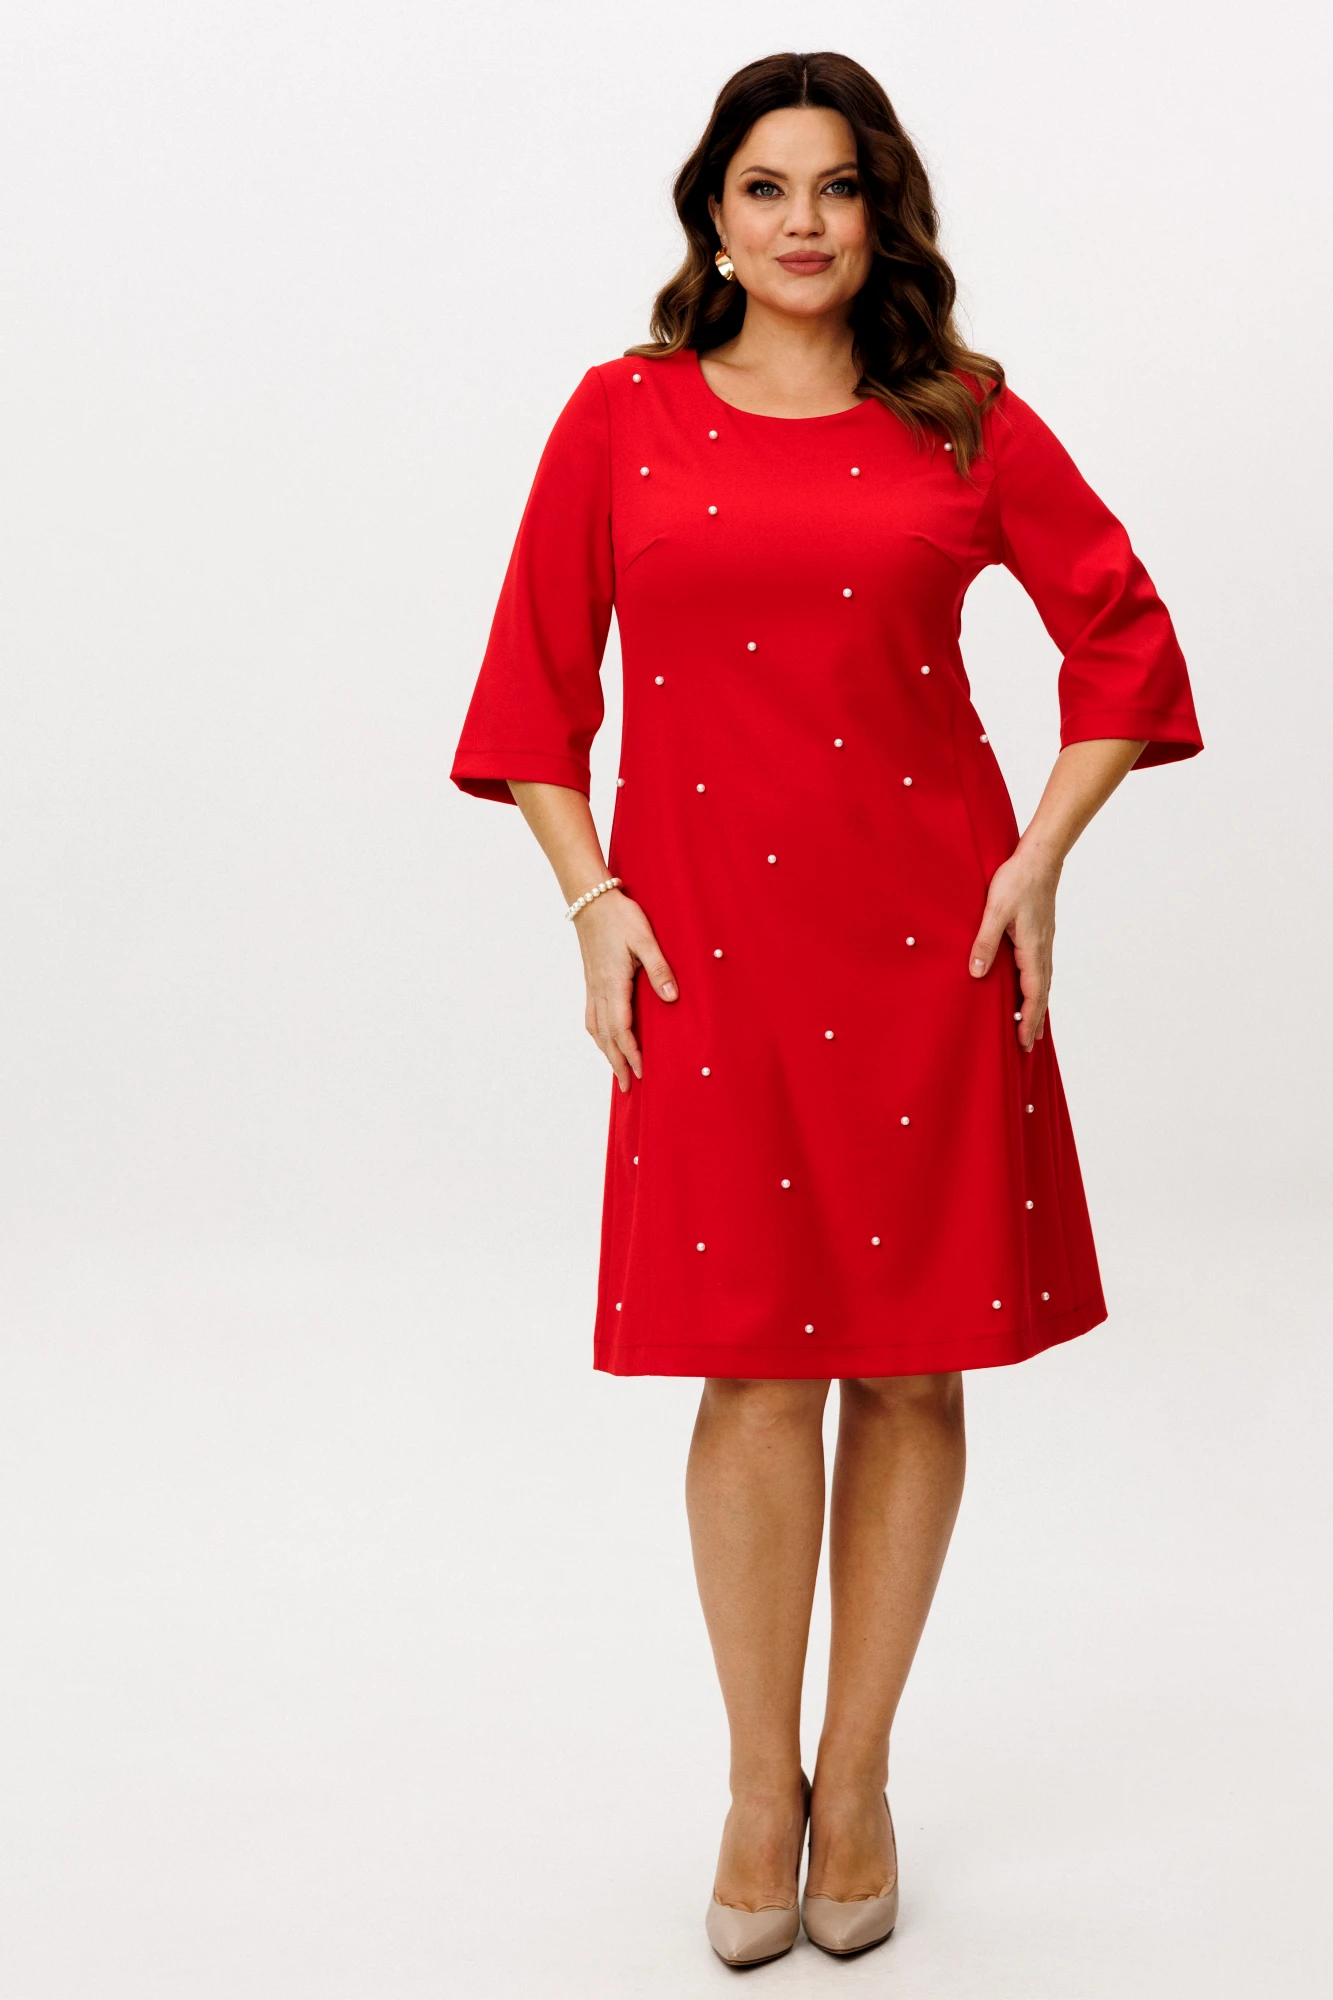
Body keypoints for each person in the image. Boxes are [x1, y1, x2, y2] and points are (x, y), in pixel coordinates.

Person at [450, 49, 1202, 1969]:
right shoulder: (617, 416)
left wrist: (1040, 856)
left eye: (839, 187)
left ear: (884, 215)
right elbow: (535, 687)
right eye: (767, 187)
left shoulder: (964, 418)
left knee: (911, 1367)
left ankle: (856, 1778)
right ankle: (752, 1782)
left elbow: (1124, 638)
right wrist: (592, 901)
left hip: (927, 943)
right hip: (704, 946)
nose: (804, 221)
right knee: (756, 1370)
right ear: (713, 215)